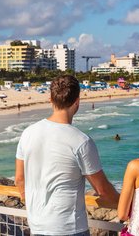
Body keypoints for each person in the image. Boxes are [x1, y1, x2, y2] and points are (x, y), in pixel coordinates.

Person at [15, 75, 118, 236]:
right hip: (69, 228)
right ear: (77, 101)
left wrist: (32, 205)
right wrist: (128, 205)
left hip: (37, 225)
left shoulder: (28, 133)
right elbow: (102, 189)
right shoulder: (81, 141)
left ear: (50, 99)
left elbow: (19, 179)